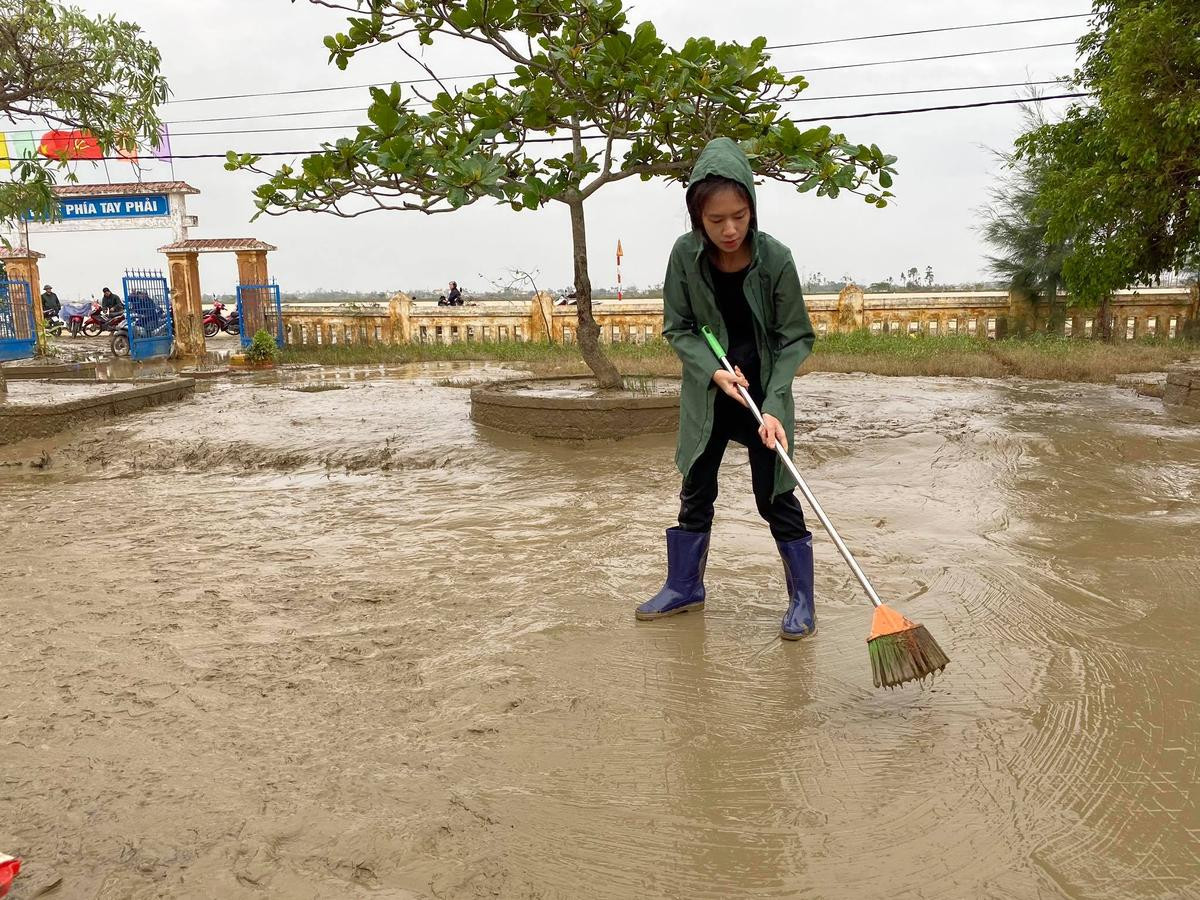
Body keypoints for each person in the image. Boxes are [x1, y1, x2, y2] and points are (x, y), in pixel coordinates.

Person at [636, 137, 817, 639]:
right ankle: (685, 587)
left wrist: (776, 403)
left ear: (752, 206)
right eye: (716, 221)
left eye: (739, 215)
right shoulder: (684, 256)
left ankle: (802, 601)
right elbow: (679, 327)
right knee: (696, 490)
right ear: (698, 218)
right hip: (713, 394)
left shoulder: (776, 258)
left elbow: (795, 336)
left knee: (775, 496)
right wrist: (712, 372)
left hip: (764, 396)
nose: (730, 229)